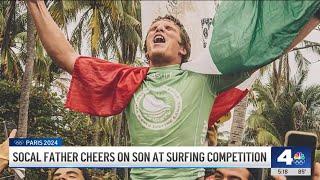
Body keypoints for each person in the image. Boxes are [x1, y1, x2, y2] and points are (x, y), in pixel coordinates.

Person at [26, 1, 320, 179]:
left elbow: (269, 48)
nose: (160, 29)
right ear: (146, 47)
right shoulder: (128, 80)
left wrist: (314, 16)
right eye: (155, 28)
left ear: (183, 48)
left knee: (299, 164)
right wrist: (35, 4)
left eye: (168, 28)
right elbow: (66, 57)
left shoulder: (204, 77)